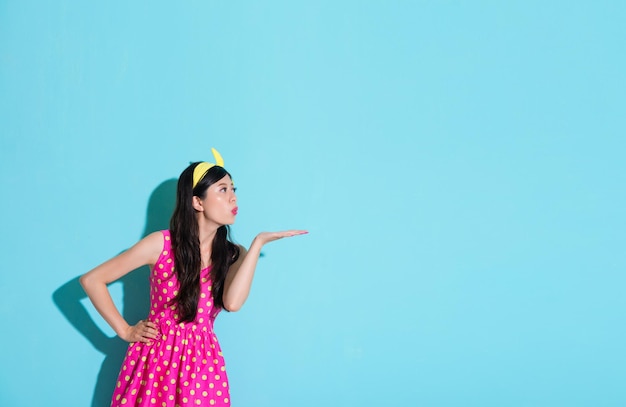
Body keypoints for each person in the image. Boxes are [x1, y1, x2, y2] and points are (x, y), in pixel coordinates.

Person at [80, 148, 307, 407]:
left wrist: (257, 244)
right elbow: (92, 280)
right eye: (223, 190)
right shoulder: (161, 244)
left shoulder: (233, 254)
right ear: (197, 202)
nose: (233, 198)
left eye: (233, 189)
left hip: (201, 363)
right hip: (155, 360)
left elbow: (232, 304)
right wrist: (126, 330)